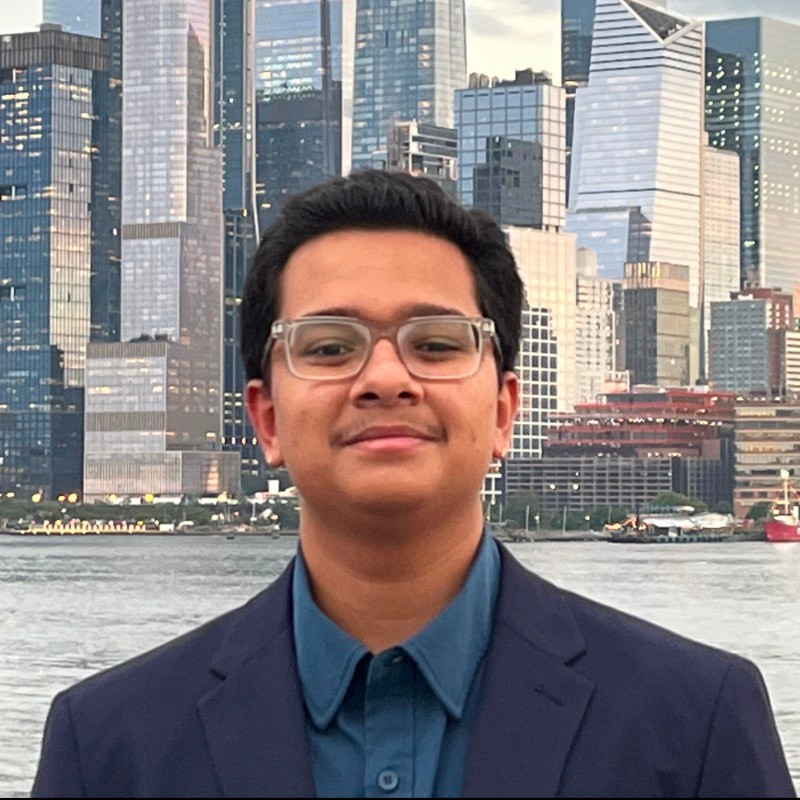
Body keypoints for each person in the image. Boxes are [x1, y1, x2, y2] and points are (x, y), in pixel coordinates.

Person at [32, 171, 794, 798]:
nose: (386, 379)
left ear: (503, 411)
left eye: (435, 343)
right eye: (330, 347)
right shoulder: (107, 746)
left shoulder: (694, 721)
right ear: (266, 419)